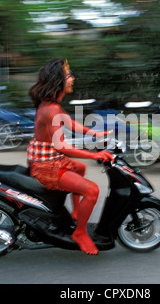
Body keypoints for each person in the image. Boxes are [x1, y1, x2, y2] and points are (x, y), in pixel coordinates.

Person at [27, 57, 114, 255]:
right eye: (68, 75)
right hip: (46, 165)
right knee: (92, 191)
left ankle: (76, 213)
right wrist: (94, 155)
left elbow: (69, 123)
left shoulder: (51, 104)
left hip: (48, 158)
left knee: (80, 169)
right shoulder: (50, 109)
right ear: (58, 80)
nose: (72, 78)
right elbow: (62, 147)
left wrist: (95, 134)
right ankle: (80, 233)